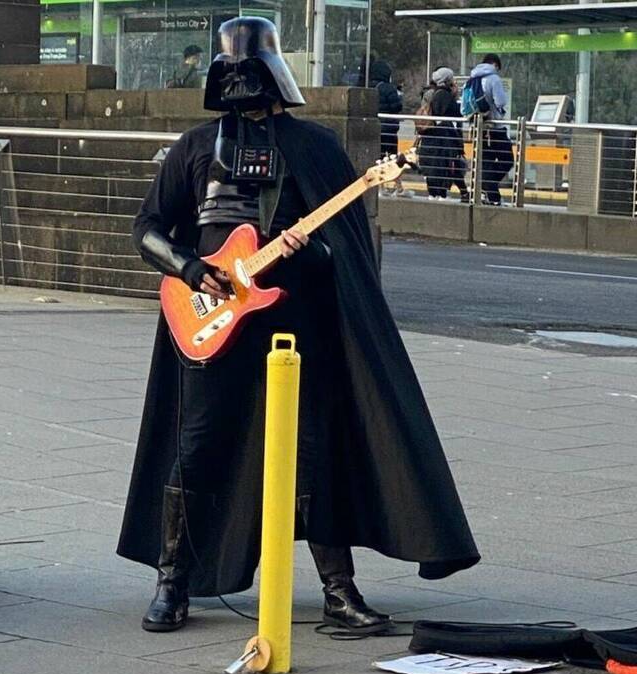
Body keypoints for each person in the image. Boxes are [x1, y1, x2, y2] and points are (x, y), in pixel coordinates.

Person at [118, 17, 479, 635]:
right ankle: (172, 581)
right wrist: (191, 267)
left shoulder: (316, 147)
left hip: (296, 324)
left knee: (313, 449)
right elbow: (147, 228)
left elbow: (346, 249)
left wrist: (305, 251)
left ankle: (339, 589)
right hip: (214, 325)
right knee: (196, 446)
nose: (240, 83)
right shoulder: (195, 147)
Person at [416, 67, 469, 202]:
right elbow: (456, 113)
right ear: (447, 80)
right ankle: (443, 194)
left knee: (433, 165)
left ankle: (434, 193)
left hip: (430, 136)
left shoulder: (430, 93)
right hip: (443, 137)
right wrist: (455, 96)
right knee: (444, 164)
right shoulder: (444, 95)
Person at [469, 53, 514, 205]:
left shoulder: (473, 78)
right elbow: (501, 102)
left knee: (486, 162)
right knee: (507, 160)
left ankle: (490, 194)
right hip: (495, 127)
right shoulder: (494, 78)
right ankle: (489, 190)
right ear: (495, 64)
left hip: (479, 127)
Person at [370, 60, 407, 195]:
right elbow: (396, 106)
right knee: (393, 158)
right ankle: (398, 186)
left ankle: (380, 187)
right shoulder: (388, 88)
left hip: (375, 127)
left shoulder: (369, 87)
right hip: (389, 128)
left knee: (379, 159)